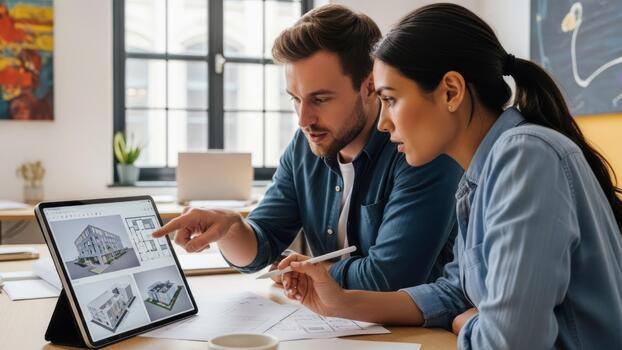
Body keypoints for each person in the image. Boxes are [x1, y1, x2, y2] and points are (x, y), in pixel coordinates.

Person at [277, 4, 622, 349]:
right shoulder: (482, 173)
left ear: (451, 92)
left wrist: (467, 324)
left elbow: (509, 342)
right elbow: (455, 291)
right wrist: (339, 301)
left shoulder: (524, 157)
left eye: (391, 100)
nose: (383, 122)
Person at [152, 4, 463, 292]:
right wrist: (231, 227)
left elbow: (390, 277)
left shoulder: (418, 150)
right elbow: (260, 248)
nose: (303, 119)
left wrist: (310, 271)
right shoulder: (306, 146)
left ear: (370, 85)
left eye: (320, 99)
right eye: (295, 98)